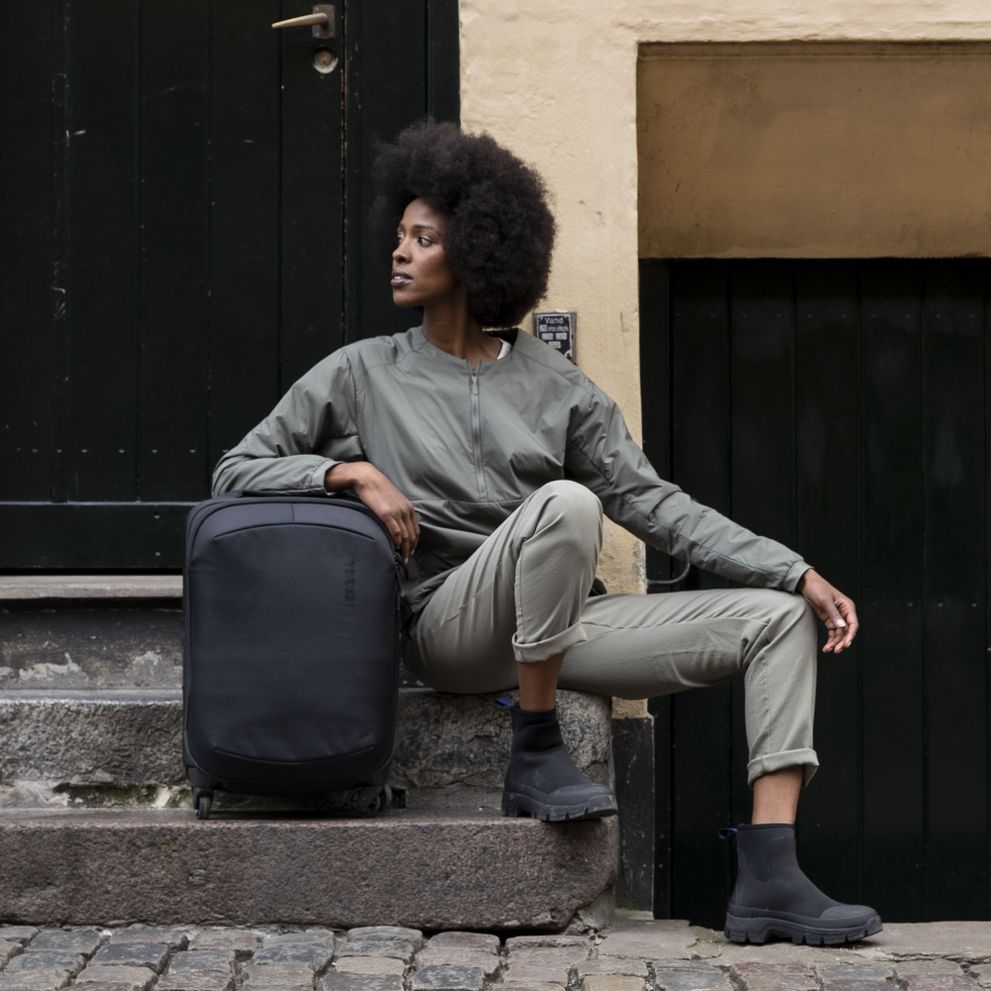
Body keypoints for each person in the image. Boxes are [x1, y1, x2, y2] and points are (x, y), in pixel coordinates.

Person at [212, 120, 881, 946]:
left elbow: (654, 502)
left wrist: (792, 569)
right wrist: (345, 472)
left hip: (561, 627)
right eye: (400, 237)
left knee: (776, 619)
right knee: (565, 501)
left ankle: (771, 874)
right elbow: (236, 469)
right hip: (449, 625)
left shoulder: (556, 384)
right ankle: (535, 747)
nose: (400, 253)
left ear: (478, 251)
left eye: (422, 239)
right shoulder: (360, 372)